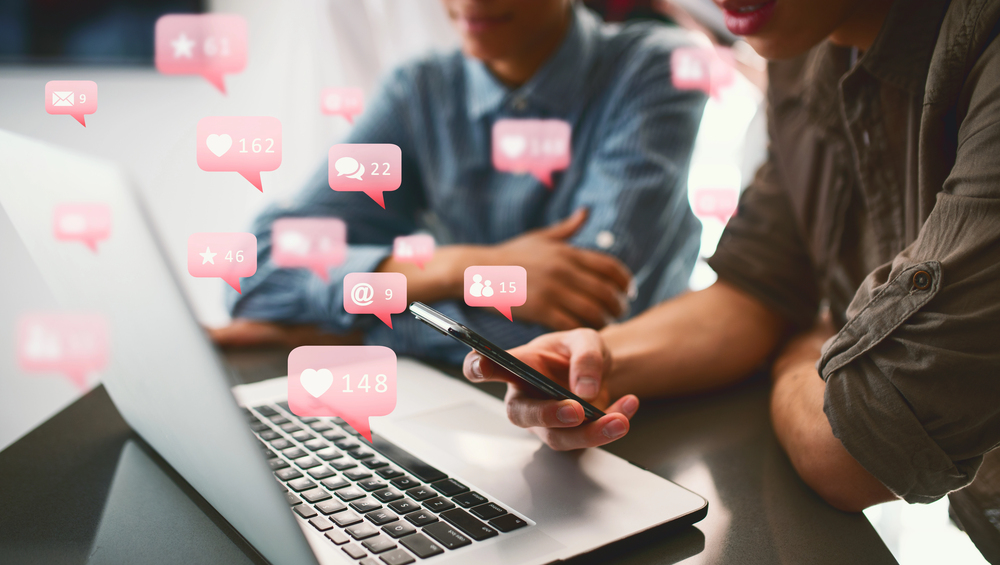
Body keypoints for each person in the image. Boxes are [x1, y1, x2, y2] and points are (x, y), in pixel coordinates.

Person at [464, 0, 1000, 514]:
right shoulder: (805, 51)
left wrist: (804, 346)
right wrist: (594, 359)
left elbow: (851, 454)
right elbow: (757, 288)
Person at [213, 0, 707, 364]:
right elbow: (257, 271)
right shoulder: (420, 92)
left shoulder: (657, 68)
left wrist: (335, 333)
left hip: (638, 413)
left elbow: (577, 322)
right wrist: (465, 268)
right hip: (460, 410)